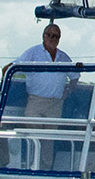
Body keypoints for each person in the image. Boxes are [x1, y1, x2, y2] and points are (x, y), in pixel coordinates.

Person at [11, 24, 78, 169]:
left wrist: (69, 91)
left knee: (49, 140)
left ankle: (45, 169)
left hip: (55, 103)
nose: (52, 39)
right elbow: (14, 66)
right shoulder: (33, 52)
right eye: (49, 35)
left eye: (56, 36)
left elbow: (75, 76)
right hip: (36, 100)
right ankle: (31, 167)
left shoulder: (63, 57)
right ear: (43, 35)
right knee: (32, 137)